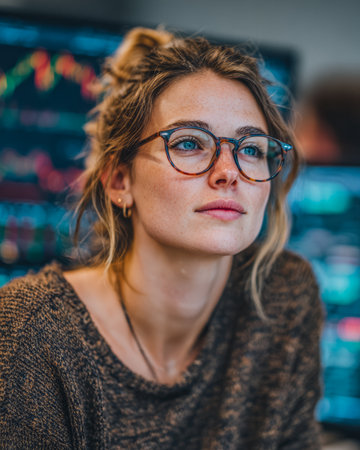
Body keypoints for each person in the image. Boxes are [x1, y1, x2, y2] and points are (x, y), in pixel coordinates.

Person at [0, 27, 323, 449]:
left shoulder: (284, 297)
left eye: (251, 148)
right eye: (190, 143)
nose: (229, 172)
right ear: (120, 180)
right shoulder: (32, 333)